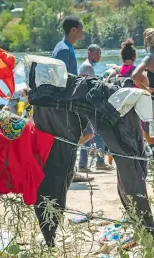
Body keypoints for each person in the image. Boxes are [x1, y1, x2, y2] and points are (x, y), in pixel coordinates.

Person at [51, 16, 94, 182]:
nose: (83, 31)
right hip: (67, 100)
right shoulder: (63, 49)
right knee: (87, 132)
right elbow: (59, 76)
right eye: (81, 28)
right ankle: (69, 167)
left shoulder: (66, 47)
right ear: (74, 30)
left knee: (83, 133)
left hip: (71, 97)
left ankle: (69, 166)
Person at [77, 44, 113, 172]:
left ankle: (91, 163)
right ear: (89, 52)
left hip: (87, 106)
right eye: (98, 53)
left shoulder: (87, 66)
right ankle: (92, 163)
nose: (100, 56)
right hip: (88, 106)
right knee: (94, 133)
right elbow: (86, 87)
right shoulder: (87, 66)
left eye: (100, 53)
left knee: (91, 134)